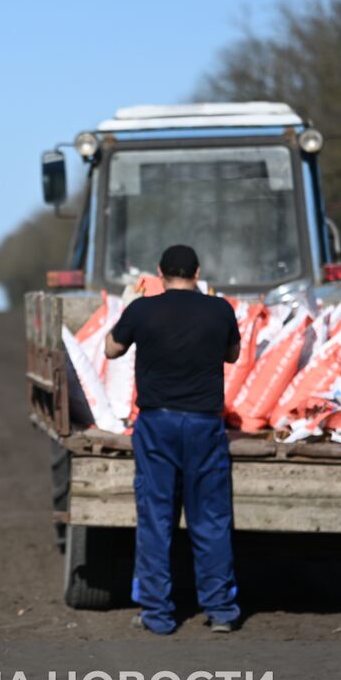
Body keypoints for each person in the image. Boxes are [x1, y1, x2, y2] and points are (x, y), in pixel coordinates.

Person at [105, 244, 242, 635]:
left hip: (157, 425)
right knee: (211, 519)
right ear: (198, 273)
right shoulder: (220, 310)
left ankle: (158, 615)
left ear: (159, 273)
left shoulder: (143, 310)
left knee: (156, 518)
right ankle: (220, 612)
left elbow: (110, 350)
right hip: (204, 426)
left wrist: (129, 308)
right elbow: (232, 355)